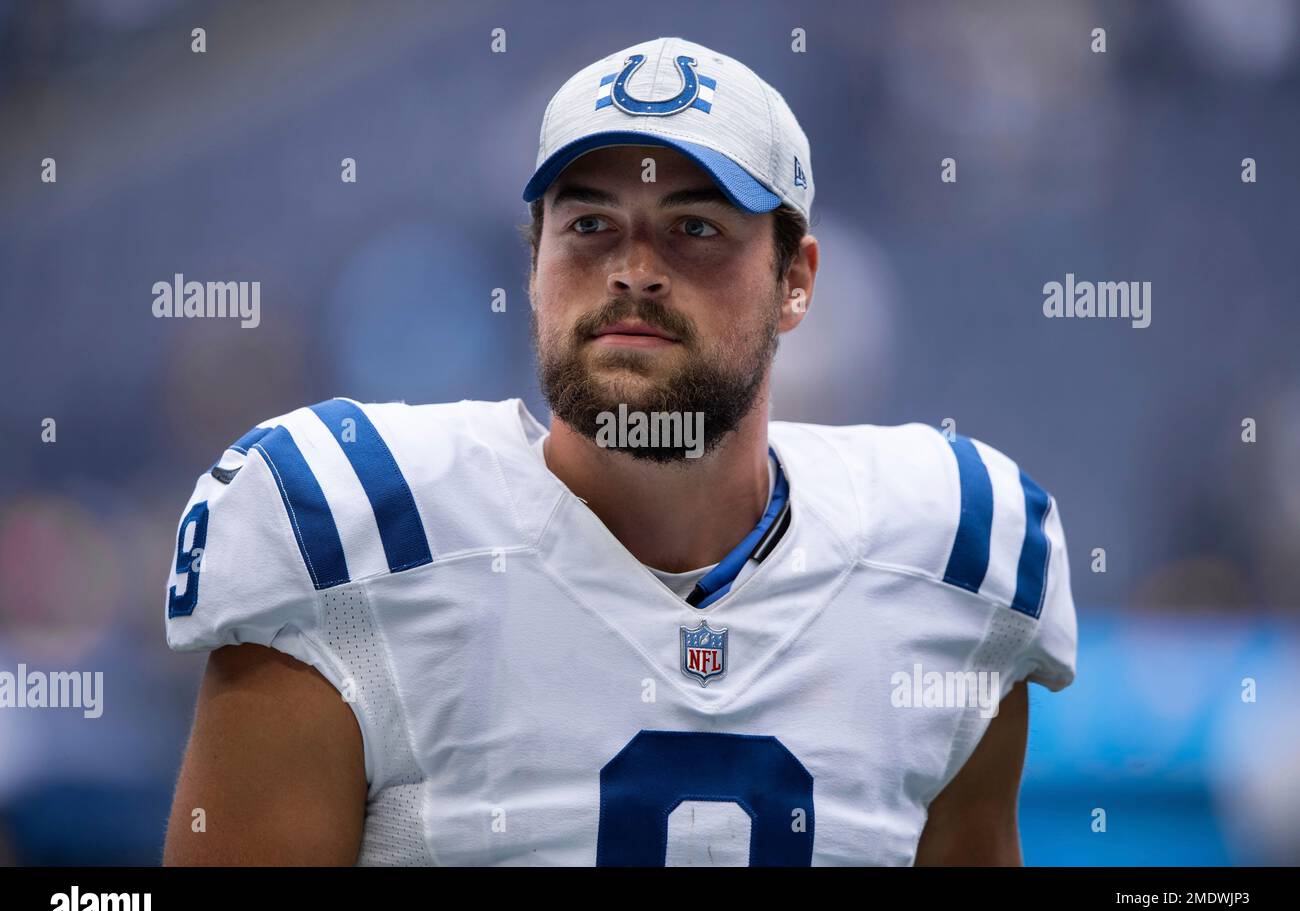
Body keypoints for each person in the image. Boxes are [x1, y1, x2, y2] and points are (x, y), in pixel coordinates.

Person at [162, 37, 1076, 866]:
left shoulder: (951, 555)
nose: (635, 267)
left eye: (696, 227)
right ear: (532, 267)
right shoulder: (351, 535)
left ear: (795, 282)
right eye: (590, 225)